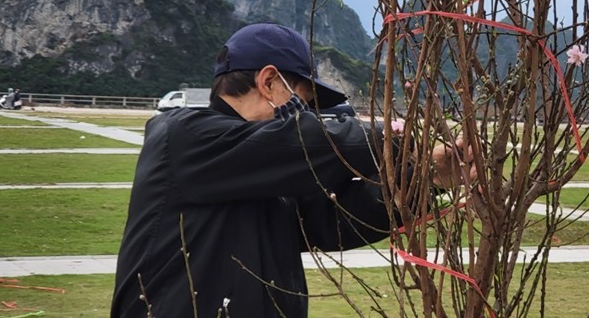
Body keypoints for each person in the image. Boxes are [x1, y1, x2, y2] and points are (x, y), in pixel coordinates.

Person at [111, 23, 464, 317]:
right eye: (305, 102)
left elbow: (331, 223)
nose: (307, 115)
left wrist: (426, 178)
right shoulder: (185, 136)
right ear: (268, 82)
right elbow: (313, 142)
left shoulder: (270, 168)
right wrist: (399, 140)